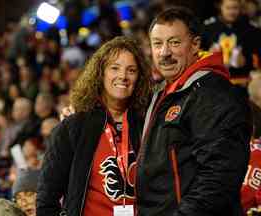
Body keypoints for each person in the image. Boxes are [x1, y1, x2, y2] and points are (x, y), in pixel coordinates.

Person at [136, 6, 252, 216]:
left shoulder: (213, 94)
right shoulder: (163, 91)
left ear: (195, 45)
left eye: (174, 42)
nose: (165, 53)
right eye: (157, 44)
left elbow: (218, 176)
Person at [36, 36, 151, 216]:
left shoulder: (148, 124)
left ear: (139, 77)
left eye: (131, 70)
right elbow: (46, 199)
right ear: (100, 73)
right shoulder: (73, 127)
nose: (123, 76)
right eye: (114, 68)